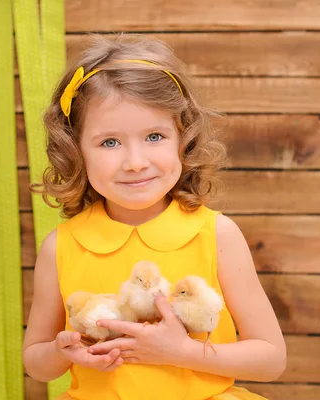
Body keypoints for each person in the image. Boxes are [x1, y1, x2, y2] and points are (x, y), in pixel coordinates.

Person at [22, 34, 286, 400]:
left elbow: (271, 359)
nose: (135, 162)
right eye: (109, 142)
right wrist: (60, 351)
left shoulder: (216, 234)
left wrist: (183, 352)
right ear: (75, 150)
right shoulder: (61, 246)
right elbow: (35, 362)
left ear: (183, 137)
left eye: (155, 136)